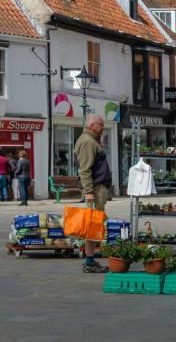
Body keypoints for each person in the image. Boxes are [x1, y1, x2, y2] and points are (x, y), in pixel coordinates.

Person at [75, 115, 112, 273]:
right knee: (92, 225)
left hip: (97, 188)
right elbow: (84, 169)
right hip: (95, 189)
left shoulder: (92, 140)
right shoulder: (87, 142)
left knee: (95, 224)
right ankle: (89, 262)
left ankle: (90, 260)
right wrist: (88, 191)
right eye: (100, 124)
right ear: (91, 125)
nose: (103, 127)